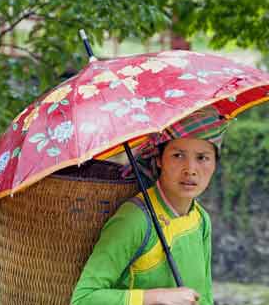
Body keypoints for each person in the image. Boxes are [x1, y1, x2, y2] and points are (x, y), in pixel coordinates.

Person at [71, 106, 227, 305]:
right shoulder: (134, 220)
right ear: (159, 159)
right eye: (178, 155)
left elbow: (204, 296)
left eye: (202, 158)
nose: (190, 170)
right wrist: (152, 297)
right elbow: (83, 298)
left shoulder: (200, 219)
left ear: (215, 164)